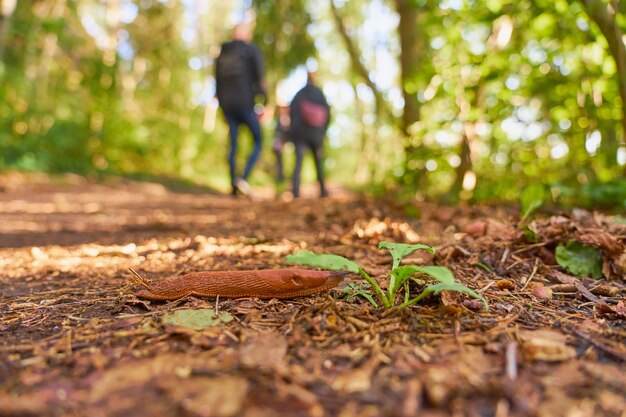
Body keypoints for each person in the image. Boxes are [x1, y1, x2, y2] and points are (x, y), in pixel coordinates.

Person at [215, 23, 266, 196]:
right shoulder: (250, 50)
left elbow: (217, 82)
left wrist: (221, 106)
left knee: (233, 145)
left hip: (228, 106)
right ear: (245, 34)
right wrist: (264, 101)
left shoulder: (222, 53)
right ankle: (242, 179)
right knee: (258, 140)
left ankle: (233, 186)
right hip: (245, 104)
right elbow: (259, 77)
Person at [289, 71, 330, 198]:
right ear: (314, 80)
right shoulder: (320, 94)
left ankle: (295, 191)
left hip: (301, 135)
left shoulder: (299, 94)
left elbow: (292, 112)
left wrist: (294, 132)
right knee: (318, 162)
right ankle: (323, 191)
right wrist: (322, 133)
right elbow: (327, 114)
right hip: (316, 135)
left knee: (299, 162)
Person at [272, 105, 291, 184]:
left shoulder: (283, 118)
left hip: (281, 143)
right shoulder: (282, 118)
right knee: (279, 164)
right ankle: (280, 179)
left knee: (281, 163)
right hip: (279, 143)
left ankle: (281, 179)